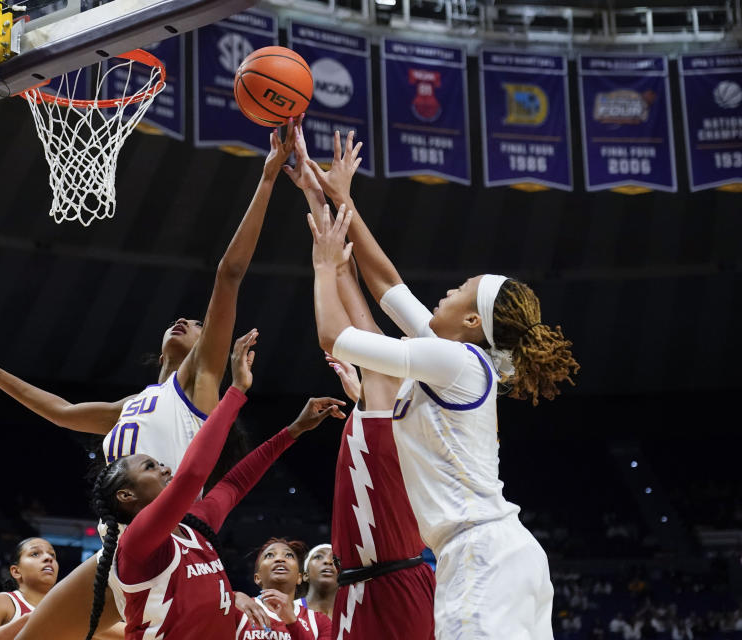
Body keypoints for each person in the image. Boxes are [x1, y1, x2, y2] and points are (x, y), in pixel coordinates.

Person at [0, 123, 302, 639]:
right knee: (18, 638)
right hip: (118, 544)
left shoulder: (200, 384)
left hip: (164, 547)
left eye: (197, 324)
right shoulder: (133, 403)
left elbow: (228, 274)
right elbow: (61, 412)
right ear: (157, 346)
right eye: (177, 321)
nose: (186, 322)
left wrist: (266, 179)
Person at [303, 129, 579, 639]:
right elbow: (386, 284)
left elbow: (334, 335)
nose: (449, 291)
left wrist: (324, 265)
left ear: (472, 321)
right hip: (499, 554)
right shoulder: (457, 360)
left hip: (481, 556)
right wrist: (341, 200)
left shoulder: (455, 362)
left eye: (460, 290)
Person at [83, 330, 345, 640]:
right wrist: (236, 390)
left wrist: (294, 430)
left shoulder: (195, 525)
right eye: (150, 466)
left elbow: (236, 482)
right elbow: (192, 474)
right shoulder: (139, 540)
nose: (165, 466)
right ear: (127, 495)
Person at [283, 120, 435, 640]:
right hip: (363, 586)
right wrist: (317, 194)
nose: (442, 300)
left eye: (458, 293)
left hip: (395, 588)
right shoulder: (394, 398)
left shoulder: (408, 395)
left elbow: (349, 319)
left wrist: (324, 263)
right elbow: (358, 285)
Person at [0, 538, 59, 640]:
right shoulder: (1, 601)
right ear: (16, 571)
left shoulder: (62, 611)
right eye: (35, 554)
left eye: (52, 554)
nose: (48, 558)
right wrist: (22, 624)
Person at [236, 538, 332, 639]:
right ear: (257, 578)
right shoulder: (239, 610)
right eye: (269, 555)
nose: (280, 559)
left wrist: (292, 621)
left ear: (299, 578)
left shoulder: (320, 622)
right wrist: (233, 596)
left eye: (289, 555)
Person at [296, 544, 336, 620]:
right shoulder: (289, 610)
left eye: (334, 558)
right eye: (318, 557)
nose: (328, 561)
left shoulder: (354, 614)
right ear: (305, 575)